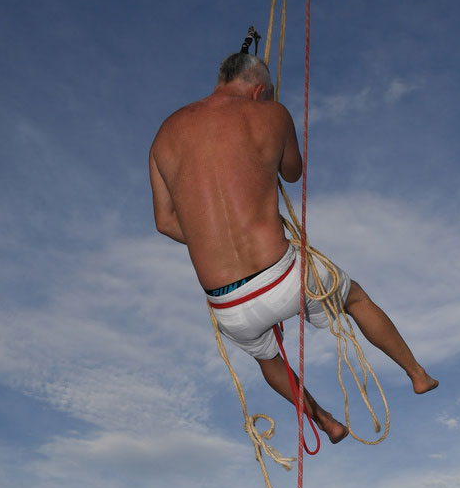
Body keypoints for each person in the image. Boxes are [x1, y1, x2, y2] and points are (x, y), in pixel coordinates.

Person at [150, 50, 438, 445]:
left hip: (228, 305)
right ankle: (417, 374)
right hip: (285, 276)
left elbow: (165, 222)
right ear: (259, 91)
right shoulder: (271, 113)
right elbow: (292, 172)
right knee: (354, 298)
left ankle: (326, 421)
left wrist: (210, 236)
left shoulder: (165, 134)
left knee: (268, 359)